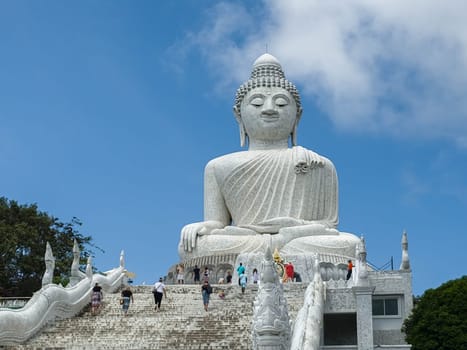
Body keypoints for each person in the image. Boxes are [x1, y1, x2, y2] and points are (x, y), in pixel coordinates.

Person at [179, 53, 359, 264]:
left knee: (352, 244)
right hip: (247, 239)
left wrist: (290, 232)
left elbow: (328, 227)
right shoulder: (217, 167)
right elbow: (217, 222)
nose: (269, 109)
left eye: (281, 104)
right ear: (238, 114)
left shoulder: (319, 164)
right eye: (257, 103)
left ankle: (277, 247)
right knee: (189, 247)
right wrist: (203, 227)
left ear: (297, 116)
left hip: (297, 238)